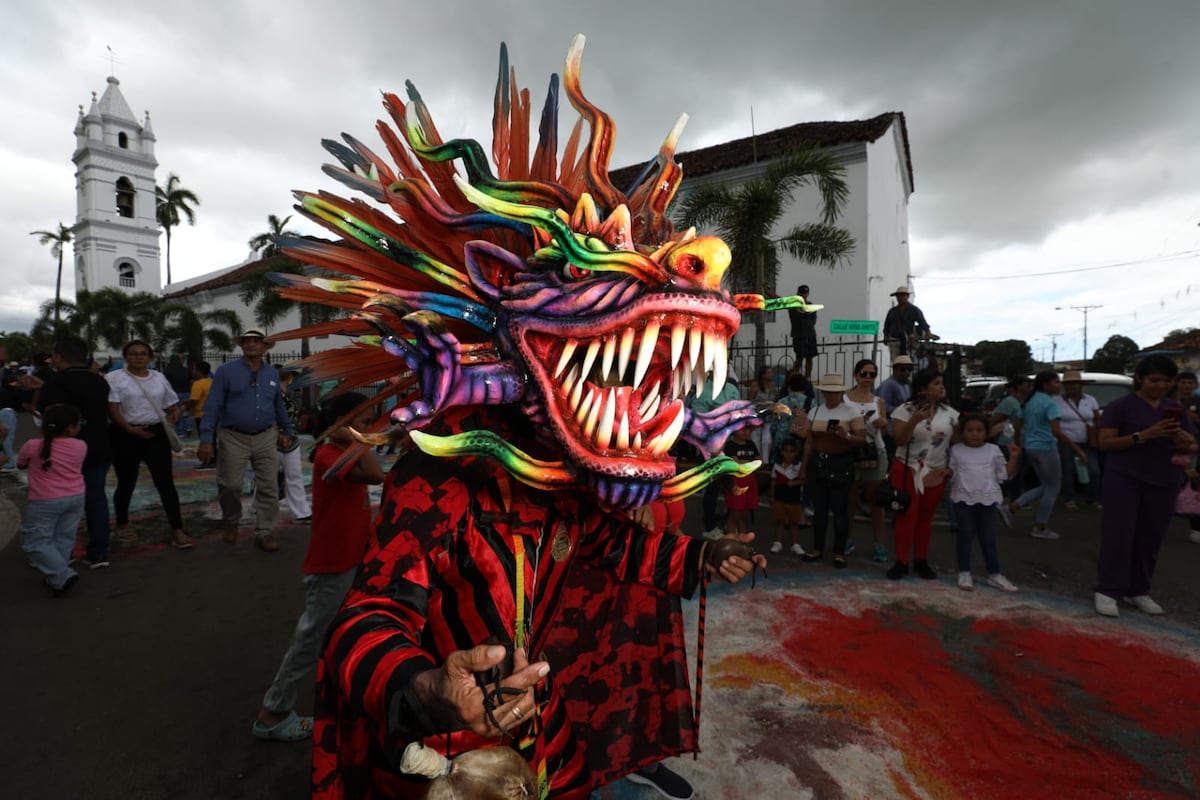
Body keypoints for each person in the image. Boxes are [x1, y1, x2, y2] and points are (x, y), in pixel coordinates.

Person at [312, 408, 765, 800]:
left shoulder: (560, 478)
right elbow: (366, 616)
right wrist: (429, 689)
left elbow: (614, 542)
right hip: (439, 740)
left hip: (539, 717)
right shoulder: (438, 475)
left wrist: (704, 553)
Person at [254, 393, 384, 741]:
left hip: (348, 558)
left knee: (341, 631)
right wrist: (361, 440)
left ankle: (344, 695)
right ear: (343, 423)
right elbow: (374, 474)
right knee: (310, 639)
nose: (369, 427)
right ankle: (273, 711)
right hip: (331, 563)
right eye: (364, 419)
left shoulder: (339, 452)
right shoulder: (328, 456)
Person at [1093, 355, 1197, 617]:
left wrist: (1186, 442)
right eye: (1154, 380)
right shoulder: (1121, 407)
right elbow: (1105, 443)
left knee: (1151, 537)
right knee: (1119, 535)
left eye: (1165, 380)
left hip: (1164, 480)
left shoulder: (1176, 408)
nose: (1159, 385)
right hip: (1124, 479)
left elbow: (1193, 445)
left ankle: (1138, 590)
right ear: (1139, 378)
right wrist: (1144, 435)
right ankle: (1108, 589)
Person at [197, 329, 294, 552]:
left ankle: (265, 531)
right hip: (233, 436)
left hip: (265, 436)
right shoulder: (226, 371)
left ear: (265, 347)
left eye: (256, 342)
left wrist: (287, 430)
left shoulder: (271, 373)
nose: (251, 345)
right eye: (247, 341)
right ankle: (232, 521)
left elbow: (278, 404)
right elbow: (213, 406)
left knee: (269, 485)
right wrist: (206, 439)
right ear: (241, 346)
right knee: (230, 485)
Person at [35, 337, 114, 568]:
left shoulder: (56, 382)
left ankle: (63, 552)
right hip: (98, 445)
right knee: (96, 498)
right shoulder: (100, 381)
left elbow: (47, 415)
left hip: (64, 450)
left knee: (60, 501)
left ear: (59, 357)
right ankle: (99, 551)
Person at [106, 340, 192, 550]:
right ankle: (122, 523)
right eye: (134, 354)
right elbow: (113, 409)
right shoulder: (114, 378)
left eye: (143, 354)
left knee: (165, 483)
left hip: (156, 433)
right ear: (125, 357)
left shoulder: (159, 377)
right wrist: (129, 429)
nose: (139, 357)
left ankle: (177, 529)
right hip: (125, 434)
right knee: (126, 482)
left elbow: (171, 403)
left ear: (150, 357)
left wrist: (176, 412)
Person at [888, 368, 960, 580]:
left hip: (935, 472)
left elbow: (956, 443)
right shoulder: (905, 410)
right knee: (905, 517)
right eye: (936, 383)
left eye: (941, 383)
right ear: (923, 389)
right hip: (907, 468)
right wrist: (914, 420)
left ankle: (921, 559)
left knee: (925, 518)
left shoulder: (951, 414)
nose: (942, 387)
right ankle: (901, 561)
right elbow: (900, 440)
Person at [1000, 371, 1084, 540]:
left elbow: (1018, 424)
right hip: (1046, 448)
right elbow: (1056, 431)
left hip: (1031, 448)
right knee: (1053, 488)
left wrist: (1019, 443)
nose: (1059, 385)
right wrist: (1077, 449)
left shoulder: (1030, 401)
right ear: (1045, 385)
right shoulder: (1050, 403)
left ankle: (1012, 507)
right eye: (1055, 382)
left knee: (1046, 486)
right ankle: (1039, 527)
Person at [17, 404, 87, 596]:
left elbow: (20, 464)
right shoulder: (81, 445)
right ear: (71, 428)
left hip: (45, 500)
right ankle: (55, 579)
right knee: (64, 538)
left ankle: (62, 574)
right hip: (76, 496)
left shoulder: (32, 445)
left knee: (33, 541)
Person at [800, 373, 867, 568]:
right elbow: (809, 441)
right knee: (819, 511)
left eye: (835, 392)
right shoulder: (814, 412)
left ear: (841, 392)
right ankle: (817, 548)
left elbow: (862, 440)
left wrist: (845, 435)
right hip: (818, 463)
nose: (832, 396)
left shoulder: (851, 412)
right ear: (823, 393)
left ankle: (839, 552)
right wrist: (804, 467)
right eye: (828, 392)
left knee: (840, 511)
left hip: (841, 463)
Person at [948, 413, 1020, 592]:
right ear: (962, 432)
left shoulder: (993, 450)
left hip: (988, 500)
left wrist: (1014, 457)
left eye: (979, 430)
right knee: (965, 536)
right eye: (970, 430)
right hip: (963, 499)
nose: (974, 434)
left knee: (988, 537)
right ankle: (964, 572)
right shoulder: (956, 450)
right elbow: (952, 473)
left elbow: (1004, 475)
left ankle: (994, 574)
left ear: (987, 433)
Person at [844, 359, 889, 562]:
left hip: (875, 450)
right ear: (856, 375)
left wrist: (883, 423)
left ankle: (879, 543)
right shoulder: (845, 398)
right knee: (849, 499)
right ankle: (848, 539)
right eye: (864, 373)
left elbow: (886, 430)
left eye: (872, 374)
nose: (868, 378)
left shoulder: (878, 401)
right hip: (851, 450)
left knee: (876, 500)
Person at [690, 372, 742, 539]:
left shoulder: (733, 389)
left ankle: (729, 522)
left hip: (732, 446)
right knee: (711, 489)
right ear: (711, 373)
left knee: (730, 486)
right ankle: (709, 527)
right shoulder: (702, 392)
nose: (725, 373)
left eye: (726, 369)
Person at [1054, 371, 1101, 510]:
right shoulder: (1056, 401)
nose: (1070, 387)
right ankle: (1069, 498)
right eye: (1067, 384)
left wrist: (1098, 432)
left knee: (1094, 471)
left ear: (1081, 385)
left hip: (1088, 442)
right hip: (1066, 441)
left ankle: (1092, 498)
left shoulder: (1090, 400)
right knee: (1068, 470)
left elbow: (1097, 419)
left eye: (1074, 383)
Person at [275, 366, 312, 523]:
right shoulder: (275, 394)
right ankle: (258, 505)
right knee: (267, 476)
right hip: (274, 438)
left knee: (293, 474)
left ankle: (302, 511)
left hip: (291, 438)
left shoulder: (287, 394)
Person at [769, 438, 806, 555]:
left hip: (794, 499)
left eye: (792, 451)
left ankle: (795, 544)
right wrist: (771, 496)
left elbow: (805, 480)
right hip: (780, 497)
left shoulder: (799, 466)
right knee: (780, 521)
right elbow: (773, 481)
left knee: (794, 522)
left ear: (796, 453)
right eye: (786, 451)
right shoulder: (777, 465)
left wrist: (794, 483)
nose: (789, 454)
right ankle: (777, 543)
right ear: (781, 452)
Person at [722, 426, 760, 535]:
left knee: (742, 513)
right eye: (742, 429)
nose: (745, 431)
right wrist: (751, 462)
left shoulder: (751, 444)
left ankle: (738, 539)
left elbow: (759, 462)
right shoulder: (730, 446)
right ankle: (736, 539)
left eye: (747, 429)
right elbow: (735, 464)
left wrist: (742, 462)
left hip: (750, 481)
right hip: (736, 483)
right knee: (736, 514)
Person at [882, 287, 936, 362]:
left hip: (908, 340)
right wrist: (886, 336)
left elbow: (922, 321)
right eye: (899, 296)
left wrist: (928, 332)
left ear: (907, 296)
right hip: (894, 339)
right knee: (896, 361)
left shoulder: (914, 310)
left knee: (907, 361)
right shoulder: (892, 311)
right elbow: (887, 325)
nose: (901, 297)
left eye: (903, 295)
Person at [876, 355, 914, 463]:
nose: (906, 372)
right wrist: (902, 411)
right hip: (890, 429)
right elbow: (882, 405)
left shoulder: (907, 384)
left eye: (909, 369)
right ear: (895, 369)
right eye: (903, 369)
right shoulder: (888, 385)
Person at [787, 284, 818, 378]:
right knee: (799, 360)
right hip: (799, 336)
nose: (804, 296)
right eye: (801, 294)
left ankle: (806, 378)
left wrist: (809, 329)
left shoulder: (811, 305)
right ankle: (792, 377)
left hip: (810, 335)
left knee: (809, 358)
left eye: (805, 293)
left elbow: (814, 320)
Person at [189, 362, 214, 469]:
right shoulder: (212, 382)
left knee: (204, 438)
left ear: (199, 371)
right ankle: (214, 458)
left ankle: (208, 460)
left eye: (194, 369)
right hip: (212, 413)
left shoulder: (198, 384)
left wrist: (187, 405)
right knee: (213, 436)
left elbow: (194, 399)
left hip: (200, 413)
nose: (193, 372)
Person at [163, 354, 193, 438]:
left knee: (176, 412)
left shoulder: (167, 370)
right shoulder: (186, 370)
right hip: (186, 392)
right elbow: (191, 381)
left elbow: (165, 382)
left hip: (174, 393)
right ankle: (188, 426)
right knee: (185, 411)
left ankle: (180, 432)